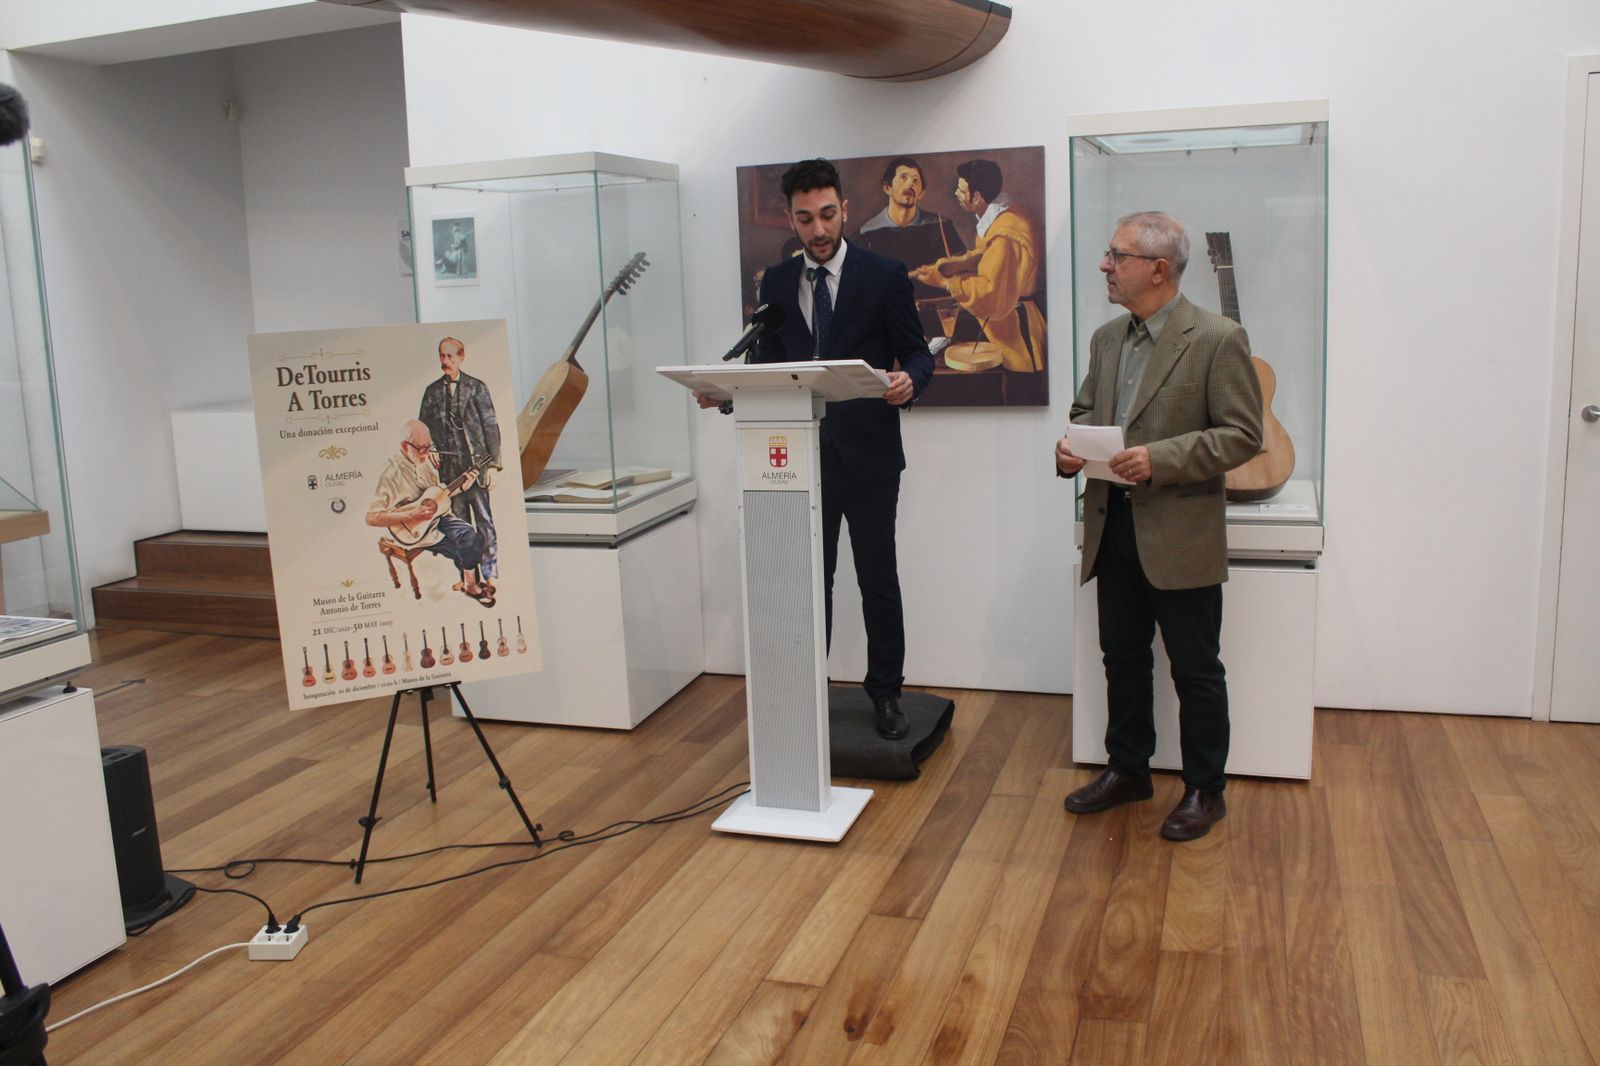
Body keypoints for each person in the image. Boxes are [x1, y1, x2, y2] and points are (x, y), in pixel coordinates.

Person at [701, 158, 933, 739]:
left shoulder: (884, 274)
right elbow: (767, 365)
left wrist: (911, 380)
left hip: (870, 457)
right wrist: (729, 395)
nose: (819, 229)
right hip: (800, 458)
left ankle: (887, 693)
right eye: (805, 219)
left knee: (878, 578)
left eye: (828, 214)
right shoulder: (778, 282)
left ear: (845, 210)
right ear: (791, 218)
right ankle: (808, 687)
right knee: (807, 581)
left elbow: (917, 352)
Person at [1054, 211, 1263, 841]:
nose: (1105, 265)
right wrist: (1069, 449)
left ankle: (1206, 789)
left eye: (1116, 255)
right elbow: (1085, 411)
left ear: (1158, 268)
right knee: (1122, 659)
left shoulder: (1218, 337)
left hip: (1180, 532)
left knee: (1195, 669)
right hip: (1112, 524)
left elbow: (1243, 434)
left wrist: (1161, 459)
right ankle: (1129, 770)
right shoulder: (1106, 339)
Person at [911, 158, 1046, 403]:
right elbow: (986, 255)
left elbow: (990, 290)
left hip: (1017, 334)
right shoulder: (1003, 217)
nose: (956, 194)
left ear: (977, 197)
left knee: (1018, 400)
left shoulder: (1006, 234)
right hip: (1006, 325)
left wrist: (944, 282)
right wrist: (954, 265)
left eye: (961, 190)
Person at [366, 420, 490, 600]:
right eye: (421, 448)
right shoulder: (389, 475)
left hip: (437, 518)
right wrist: (409, 514)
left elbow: (438, 495)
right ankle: (470, 585)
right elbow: (371, 517)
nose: (427, 452)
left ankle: (469, 584)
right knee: (461, 548)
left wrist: (463, 487)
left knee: (471, 538)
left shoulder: (427, 461)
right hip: (412, 530)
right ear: (404, 446)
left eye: (429, 446)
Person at [418, 336, 501, 596]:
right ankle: (468, 579)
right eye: (442, 356)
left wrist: (494, 466)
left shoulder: (477, 387)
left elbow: (491, 426)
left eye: (450, 356)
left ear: (461, 357)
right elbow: (423, 427)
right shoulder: (431, 391)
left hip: (477, 466)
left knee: (484, 522)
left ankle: (490, 575)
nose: (445, 361)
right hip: (449, 473)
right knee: (461, 528)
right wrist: (431, 447)